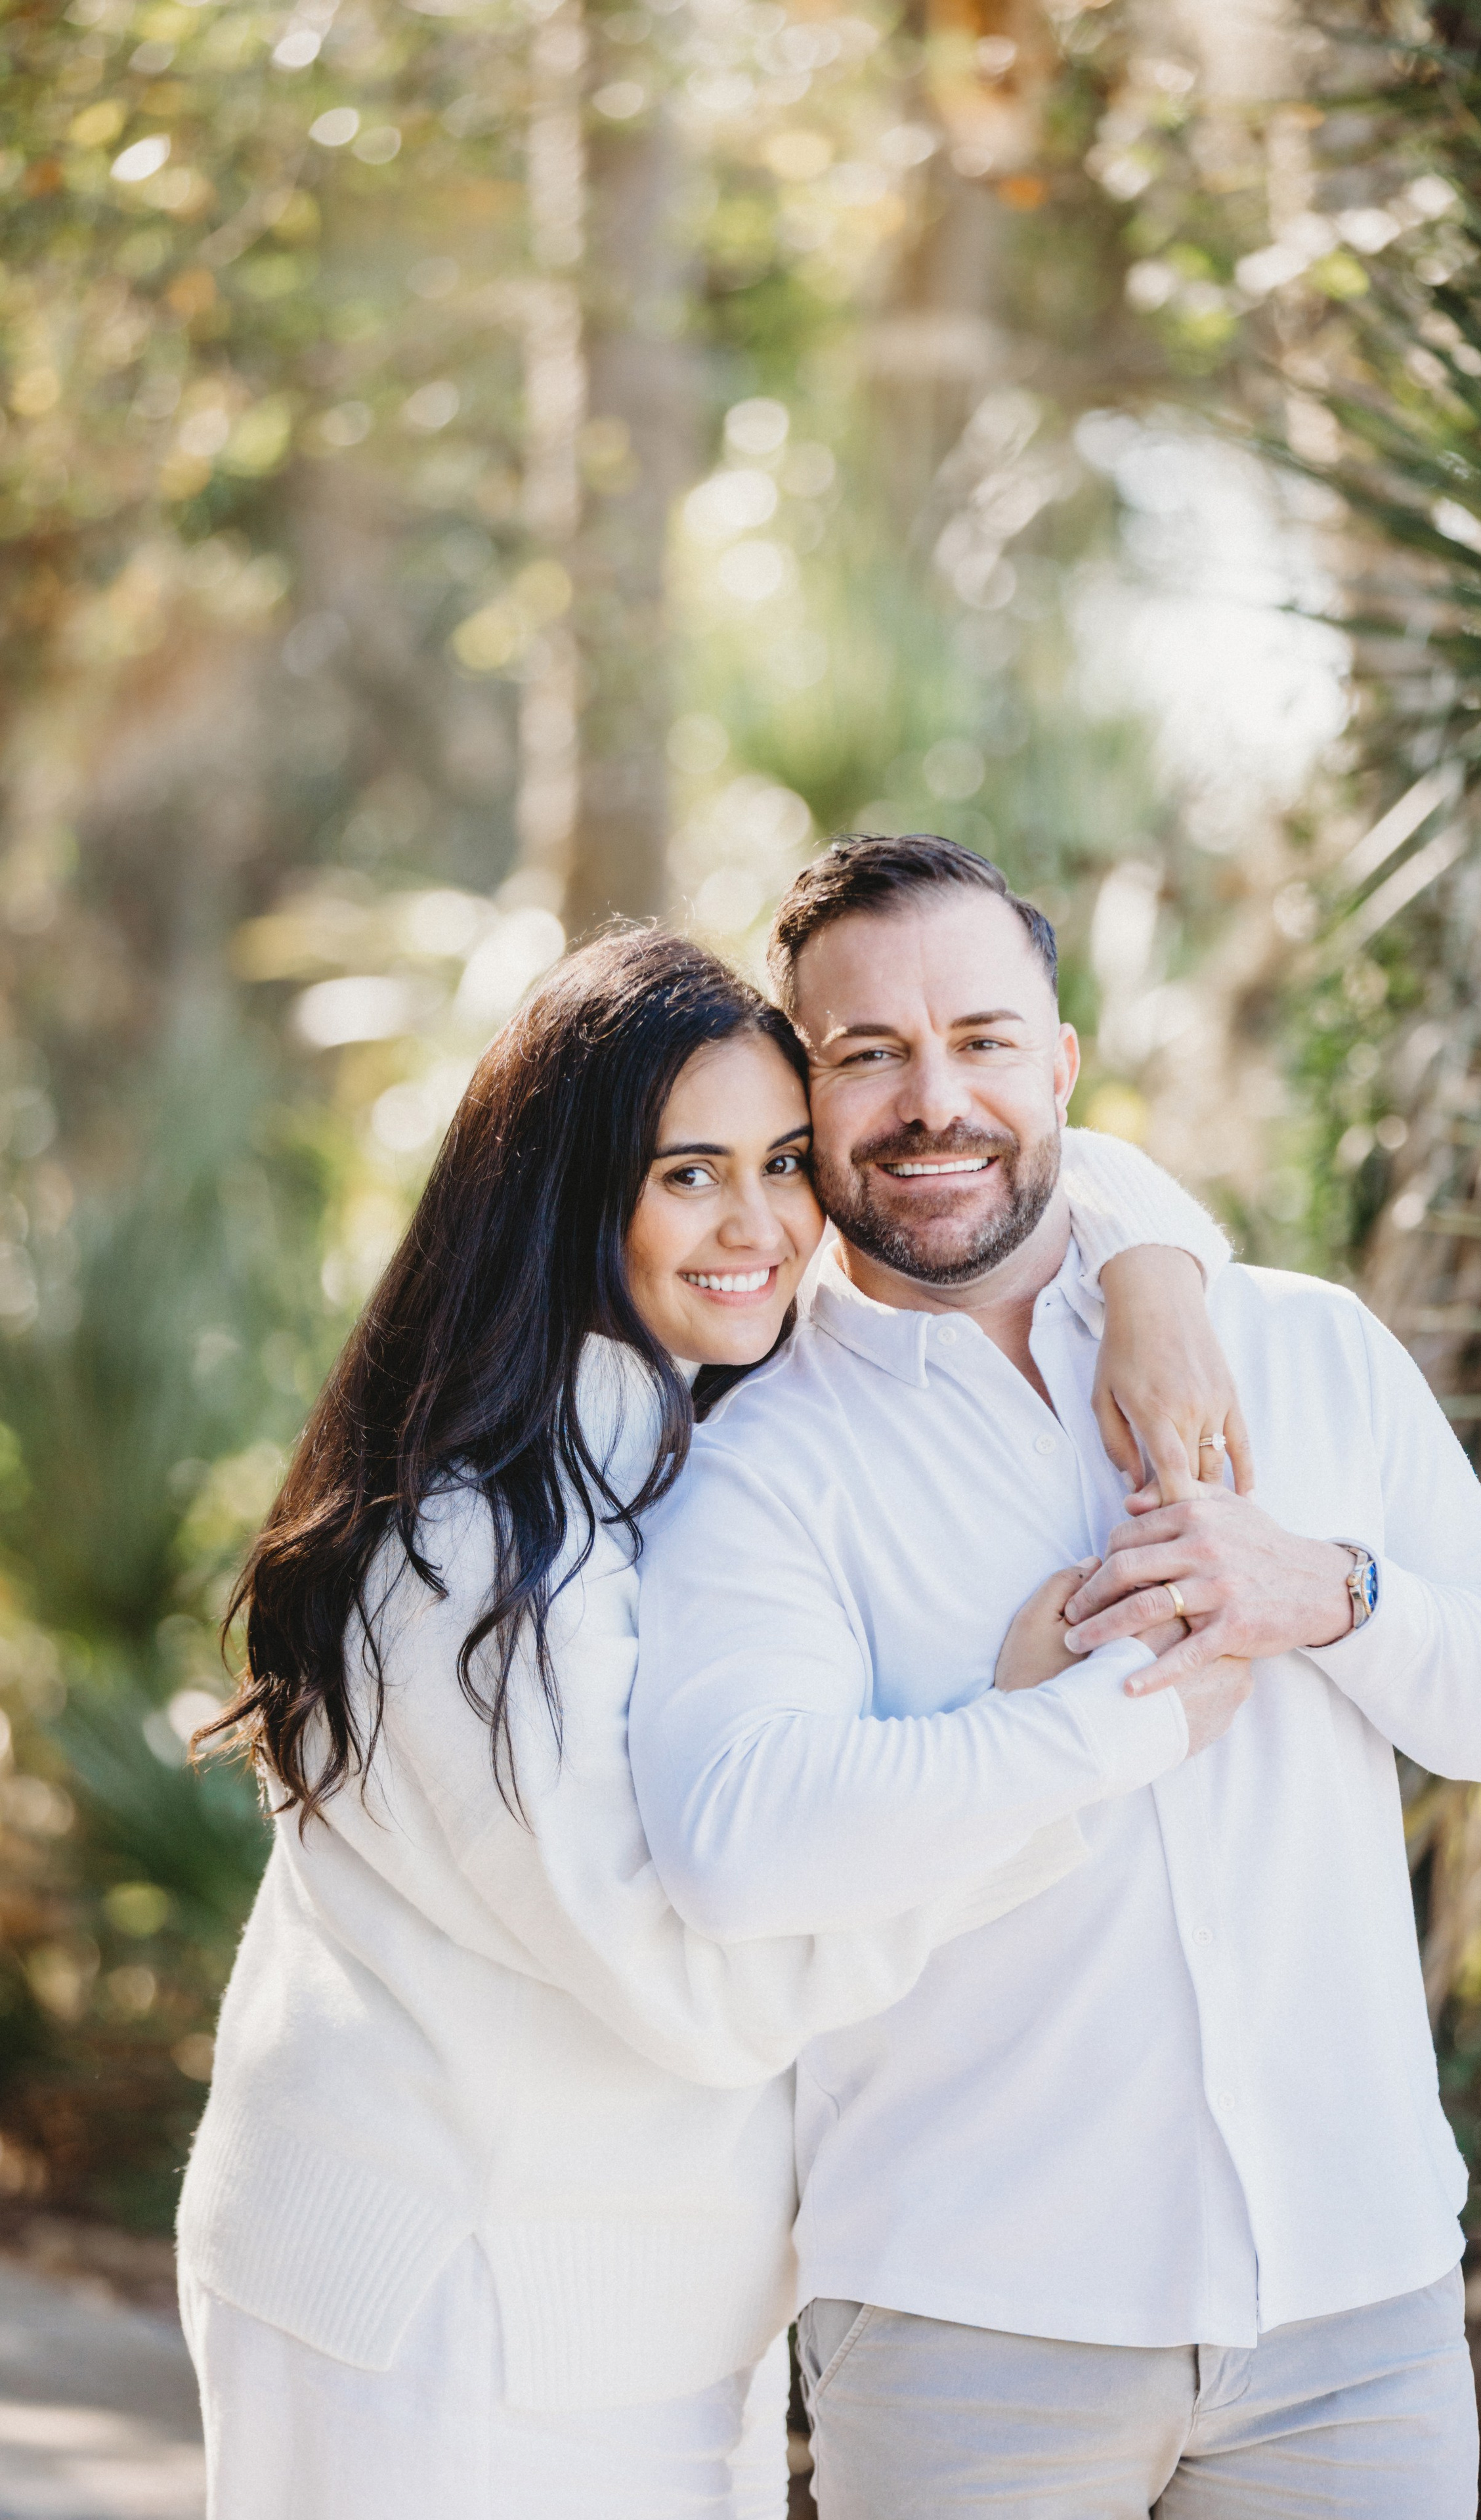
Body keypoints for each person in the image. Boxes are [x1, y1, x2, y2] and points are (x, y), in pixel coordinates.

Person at [176, 921, 1243, 2520]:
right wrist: (1069, 1740)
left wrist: (1157, 1268)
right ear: (567, 1192)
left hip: (656, 2320)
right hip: (445, 2323)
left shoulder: (672, 1428)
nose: (759, 1224)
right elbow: (695, 1989)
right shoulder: (472, 1540)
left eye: (786, 1161)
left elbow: (1011, 1153)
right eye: (688, 1173)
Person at [628, 833, 1481, 2520]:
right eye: (868, 1054)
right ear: (806, 1096)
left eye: (984, 1041)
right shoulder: (760, 1459)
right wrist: (1058, 1722)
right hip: (967, 2326)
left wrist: (1326, 1591)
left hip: (1350, 2316)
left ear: (1061, 1064)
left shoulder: (1294, 1343)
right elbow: (734, 1837)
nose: (935, 1099)